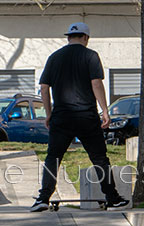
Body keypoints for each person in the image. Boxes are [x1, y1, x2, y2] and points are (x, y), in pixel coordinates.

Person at [30, 22, 129, 212]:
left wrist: (49, 114)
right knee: (99, 158)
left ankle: (43, 198)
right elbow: (96, 84)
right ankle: (112, 198)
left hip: (61, 116)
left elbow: (44, 88)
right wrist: (105, 110)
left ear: (68, 37)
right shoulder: (91, 56)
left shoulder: (54, 57)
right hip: (86, 116)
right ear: (85, 37)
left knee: (53, 157)